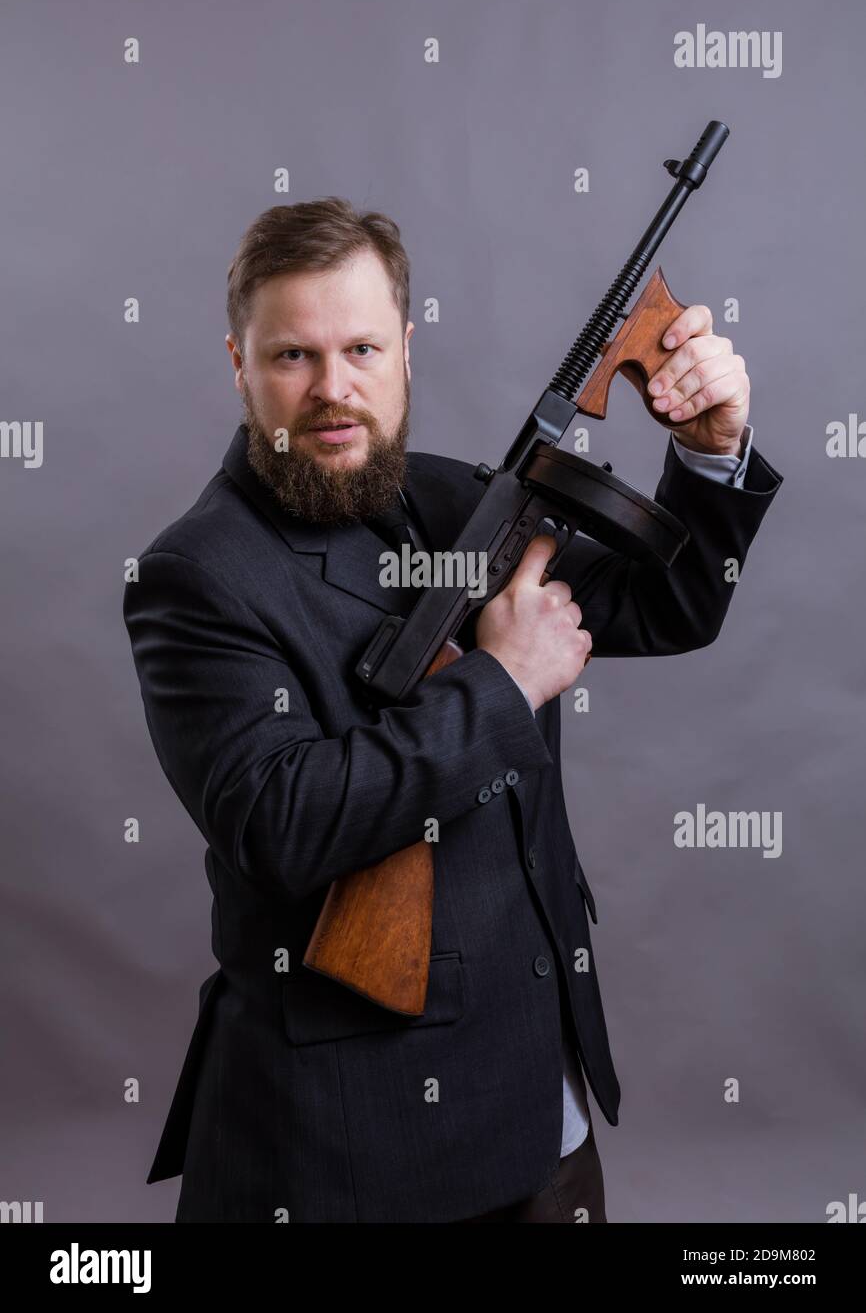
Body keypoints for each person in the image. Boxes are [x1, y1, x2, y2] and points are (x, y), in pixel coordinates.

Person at [123, 197, 782, 1223]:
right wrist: (501, 681)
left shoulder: (452, 504)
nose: (333, 389)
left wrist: (709, 450)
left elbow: (675, 601)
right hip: (351, 1154)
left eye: (361, 347)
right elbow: (279, 823)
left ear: (405, 352)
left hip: (543, 1117)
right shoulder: (195, 573)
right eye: (292, 355)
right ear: (238, 363)